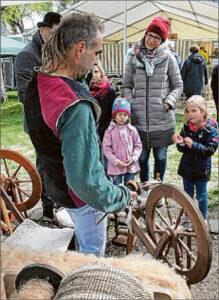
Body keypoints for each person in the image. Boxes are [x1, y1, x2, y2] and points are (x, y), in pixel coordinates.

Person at [25, 12, 136, 256]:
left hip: (56, 185)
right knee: (91, 257)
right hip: (80, 198)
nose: (97, 62)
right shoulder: (75, 106)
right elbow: (86, 183)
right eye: (97, 53)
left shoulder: (40, 78)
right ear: (80, 48)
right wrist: (121, 196)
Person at [122, 16, 183, 185]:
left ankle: (158, 187)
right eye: (149, 35)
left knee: (161, 157)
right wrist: (132, 102)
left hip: (161, 118)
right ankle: (145, 186)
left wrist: (168, 102)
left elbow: (178, 85)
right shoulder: (133, 58)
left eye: (156, 37)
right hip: (139, 118)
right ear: (145, 34)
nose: (151, 39)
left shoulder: (168, 58)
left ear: (162, 40)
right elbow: (126, 85)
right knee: (141, 157)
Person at [15, 12, 62, 220]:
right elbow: (25, 94)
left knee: (58, 163)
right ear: (42, 29)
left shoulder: (54, 51)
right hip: (38, 122)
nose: (55, 38)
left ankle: (59, 204)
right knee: (44, 165)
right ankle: (48, 210)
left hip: (55, 120)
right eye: (53, 33)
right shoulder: (27, 55)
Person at [172, 95, 218, 226]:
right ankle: (187, 216)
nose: (190, 114)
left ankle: (202, 219)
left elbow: (210, 150)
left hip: (201, 169)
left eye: (194, 111)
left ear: (203, 112)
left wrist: (193, 145)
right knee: (187, 195)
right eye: (187, 111)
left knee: (201, 196)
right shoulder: (186, 127)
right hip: (187, 168)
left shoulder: (211, 130)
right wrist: (180, 143)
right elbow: (181, 149)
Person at [103, 97, 142, 185]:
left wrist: (133, 158)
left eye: (125, 115)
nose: (122, 117)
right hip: (116, 166)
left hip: (130, 165)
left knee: (130, 186)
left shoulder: (132, 130)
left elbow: (138, 146)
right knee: (117, 187)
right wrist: (116, 162)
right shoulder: (109, 131)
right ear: (114, 115)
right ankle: (118, 199)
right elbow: (106, 149)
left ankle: (129, 198)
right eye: (119, 114)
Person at [90, 61, 116, 142]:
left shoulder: (109, 90)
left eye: (96, 72)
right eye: (91, 72)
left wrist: (105, 130)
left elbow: (111, 114)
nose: (93, 75)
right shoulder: (84, 89)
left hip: (105, 130)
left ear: (101, 72)